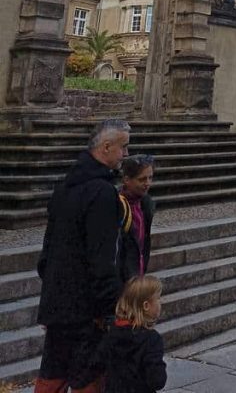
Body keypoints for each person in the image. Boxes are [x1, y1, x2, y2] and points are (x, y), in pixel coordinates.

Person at [35, 118, 131, 393]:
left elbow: (48, 250)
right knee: (87, 378)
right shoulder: (101, 193)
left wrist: (52, 294)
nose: (125, 155)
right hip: (87, 308)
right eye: (123, 148)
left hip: (58, 303)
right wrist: (109, 308)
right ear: (106, 146)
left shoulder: (65, 186)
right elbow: (102, 257)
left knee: (53, 373)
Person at [103, 275, 166, 393]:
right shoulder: (151, 339)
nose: (160, 302)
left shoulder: (112, 331)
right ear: (146, 306)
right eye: (158, 298)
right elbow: (157, 380)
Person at [118, 156, 156, 282]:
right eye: (142, 179)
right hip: (121, 274)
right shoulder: (118, 204)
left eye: (150, 178)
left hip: (138, 269)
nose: (148, 183)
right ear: (127, 180)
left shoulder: (146, 203)